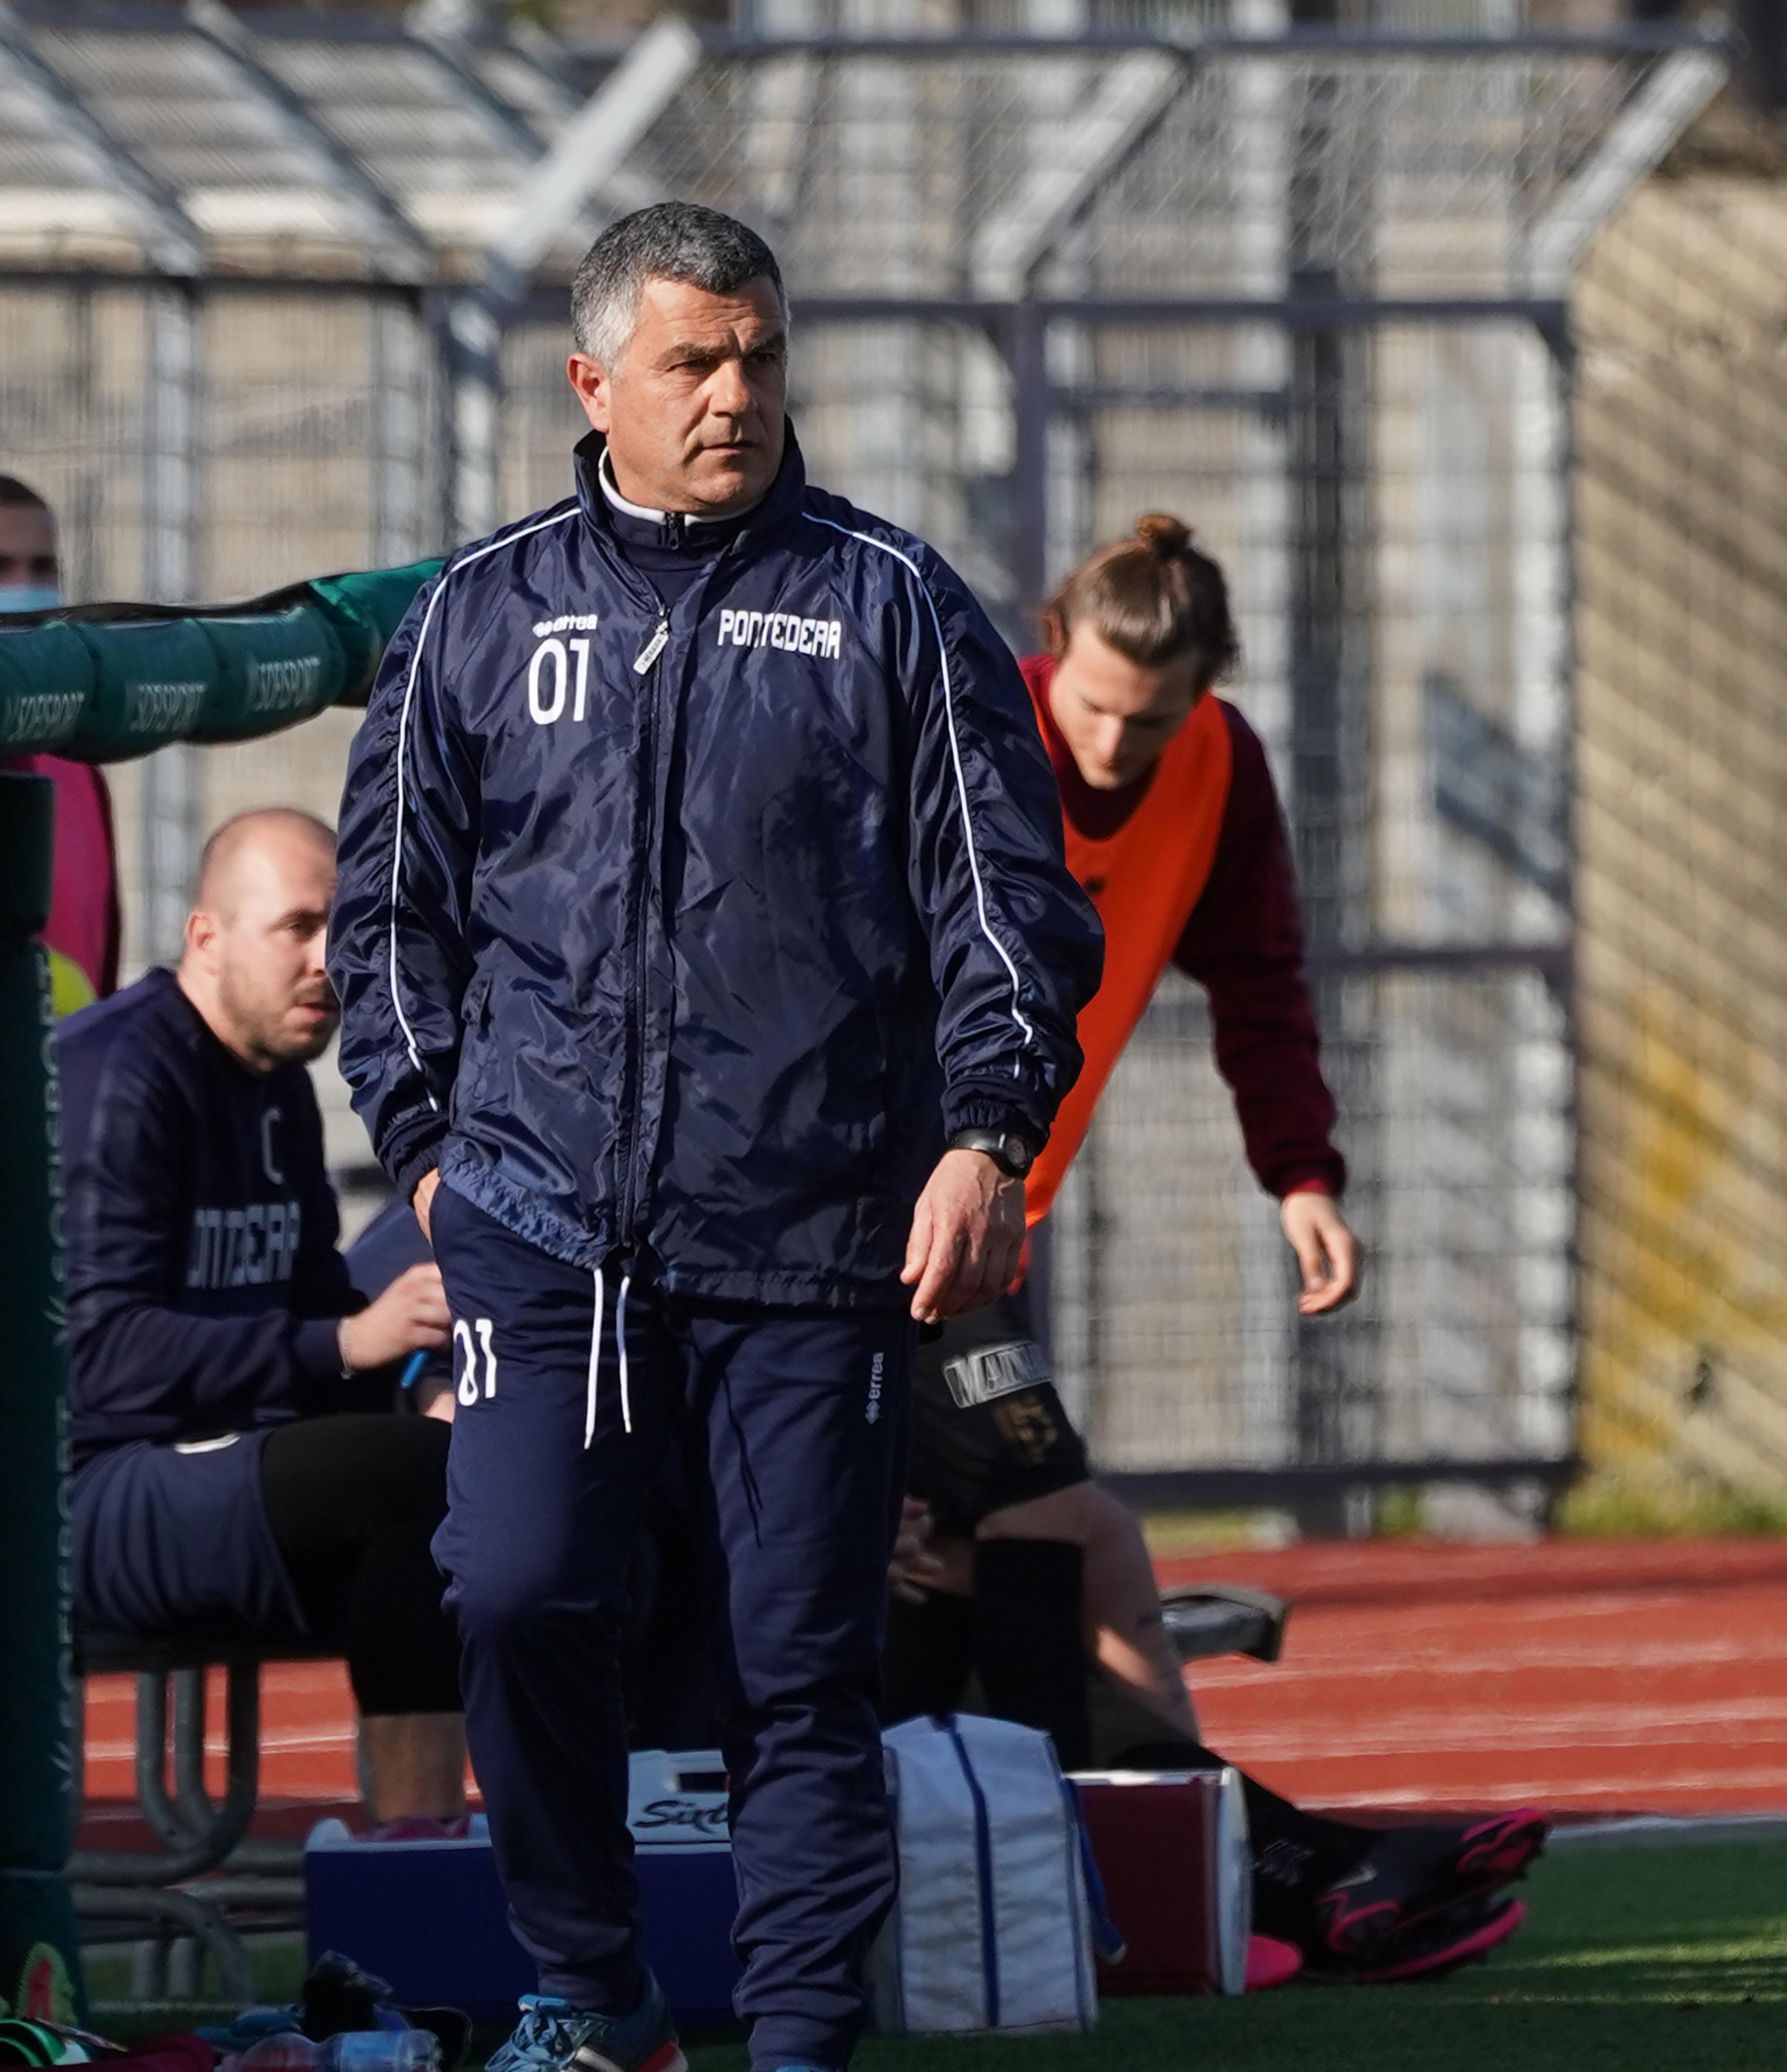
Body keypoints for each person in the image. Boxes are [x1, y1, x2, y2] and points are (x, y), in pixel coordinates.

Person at [328, 202, 1100, 2072]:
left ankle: (804, 2048)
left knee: (797, 1670)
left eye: (758, 354)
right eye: (694, 361)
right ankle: (596, 1998)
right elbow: (391, 916)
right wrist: (429, 1141)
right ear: (596, 383)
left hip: (816, 1233)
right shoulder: (476, 613)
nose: (736, 393)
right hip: (534, 1227)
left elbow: (1006, 905)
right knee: (516, 1597)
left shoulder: (894, 605)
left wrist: (985, 1132)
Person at [882, 516, 1544, 1980]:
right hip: (877, 1224)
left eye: (1153, 713)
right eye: (1094, 705)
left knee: (1011, 1566)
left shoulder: (1219, 767)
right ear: (1051, 654)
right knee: (1062, 1535)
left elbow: (1255, 978)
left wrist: (1300, 1172)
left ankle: (1205, 1888)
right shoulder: (971, 725)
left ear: (1206, 693)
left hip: (994, 1235)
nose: (1116, 742)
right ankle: (1265, 1876)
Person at [62, 808, 468, 1832]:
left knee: (509, 1469)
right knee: (409, 1484)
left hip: (225, 1450)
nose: (328, 959)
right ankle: (417, 1867)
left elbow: (318, 1303)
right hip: (88, 1486)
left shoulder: (278, 1082)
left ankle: (613, 1850)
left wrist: (424, 1384)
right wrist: (345, 1343)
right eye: (296, 925)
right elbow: (100, 1361)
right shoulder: (122, 1072)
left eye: (341, 925)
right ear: (206, 937)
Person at [0, 474, 120, 1013]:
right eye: (1, 569)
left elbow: (103, 961)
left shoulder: (75, 764)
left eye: (43, 569)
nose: (25, 588)